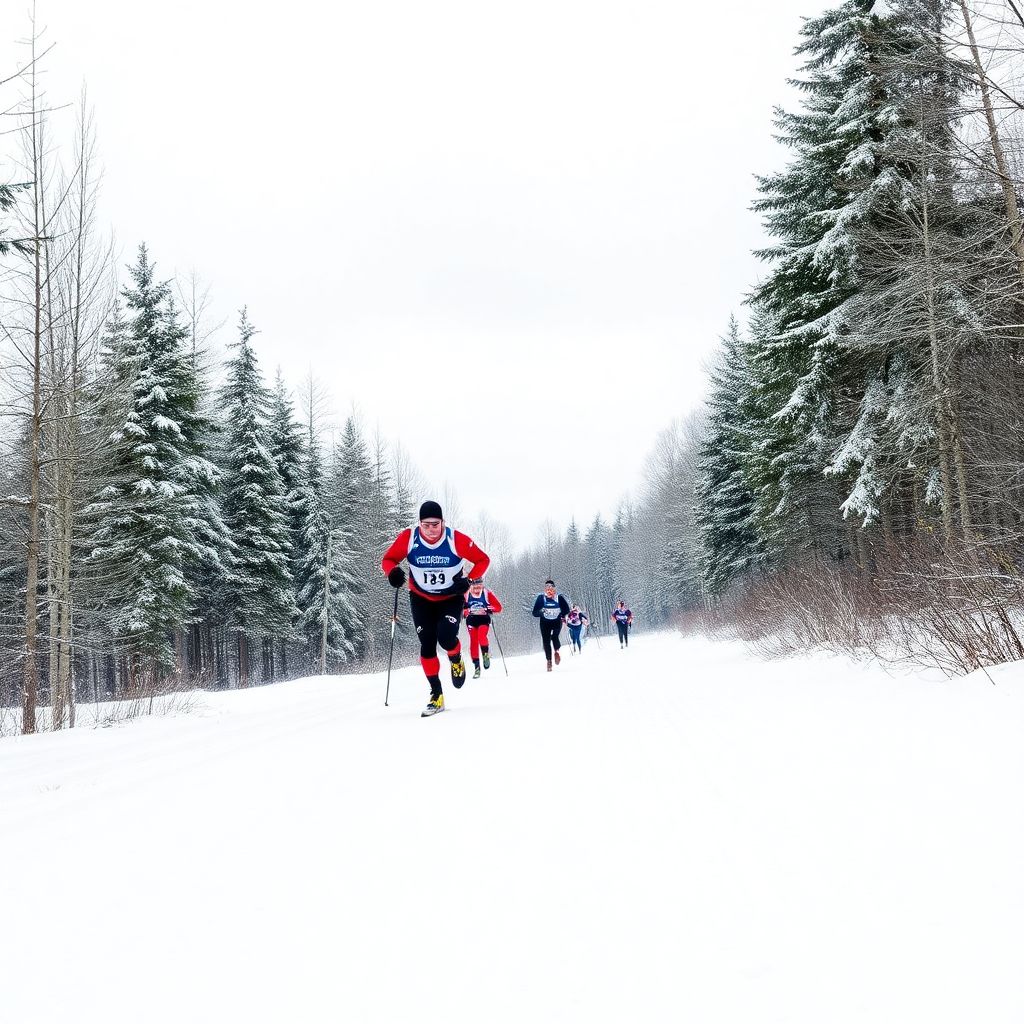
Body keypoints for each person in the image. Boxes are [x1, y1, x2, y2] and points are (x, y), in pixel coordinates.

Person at [381, 501, 490, 717]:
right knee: (427, 644)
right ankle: (436, 694)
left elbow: (482, 560)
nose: (431, 530)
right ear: (419, 523)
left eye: (435, 524)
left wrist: (468, 580)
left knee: (446, 638)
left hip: (450, 597)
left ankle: (456, 658)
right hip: (421, 597)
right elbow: (388, 559)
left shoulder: (455, 539)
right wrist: (392, 572)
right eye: (426, 525)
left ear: (443, 522)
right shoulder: (409, 538)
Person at [463, 579, 503, 678]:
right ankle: (477, 667)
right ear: (471, 585)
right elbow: (460, 607)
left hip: (483, 619)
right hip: (471, 619)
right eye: (475, 586)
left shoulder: (486, 593)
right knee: (473, 641)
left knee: (481, 636)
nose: (477, 589)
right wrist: (465, 611)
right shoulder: (466, 594)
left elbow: (498, 607)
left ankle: (485, 654)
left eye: (479, 586)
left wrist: (488, 608)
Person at [532, 579, 570, 672]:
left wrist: (561, 613)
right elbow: (534, 612)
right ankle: (549, 661)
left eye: (551, 587)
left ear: (554, 588)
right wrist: (541, 611)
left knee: (555, 637)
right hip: (545, 622)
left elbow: (567, 609)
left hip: (556, 621)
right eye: (547, 587)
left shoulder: (559, 598)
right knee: (546, 641)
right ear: (545, 589)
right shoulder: (541, 598)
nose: (549, 589)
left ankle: (556, 652)